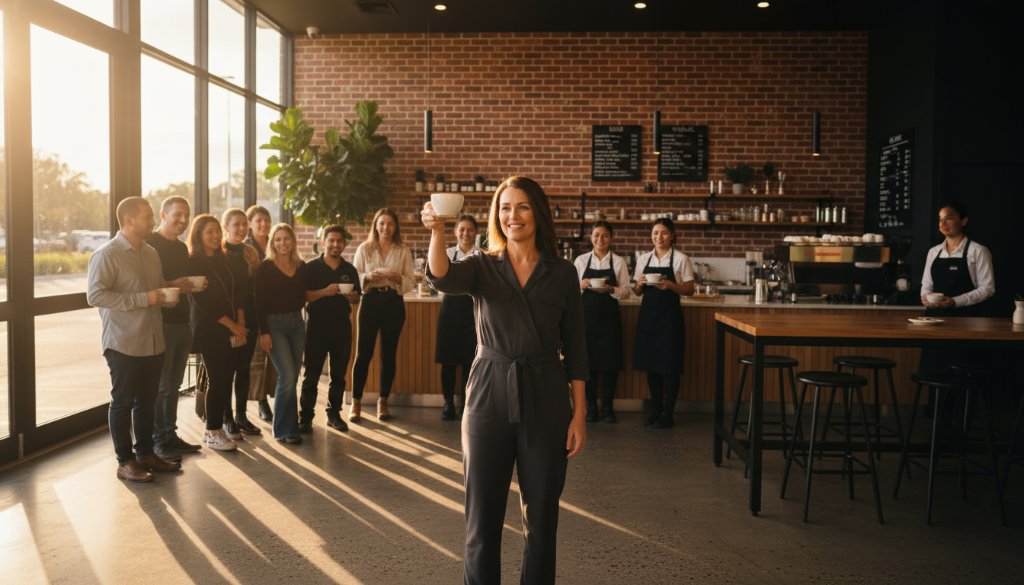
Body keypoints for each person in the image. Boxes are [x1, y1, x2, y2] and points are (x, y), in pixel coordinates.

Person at [423, 175, 587, 585]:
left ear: (538, 213)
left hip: (546, 395)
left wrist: (579, 414)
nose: (513, 216)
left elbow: (578, 348)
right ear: (497, 216)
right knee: (482, 521)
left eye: (523, 207)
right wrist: (438, 231)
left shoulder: (563, 273)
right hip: (488, 393)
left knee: (542, 520)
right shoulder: (482, 265)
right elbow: (441, 275)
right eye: (505, 208)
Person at [87, 196, 181, 482]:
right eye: (147, 216)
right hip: (123, 342)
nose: (152, 221)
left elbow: (154, 291)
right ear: (128, 220)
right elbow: (95, 295)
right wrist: (144, 299)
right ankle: (125, 462)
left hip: (153, 341)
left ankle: (146, 454)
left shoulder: (151, 253)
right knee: (123, 402)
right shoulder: (107, 254)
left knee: (147, 402)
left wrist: (165, 298)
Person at [145, 196, 204, 461]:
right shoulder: (150, 245)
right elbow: (148, 284)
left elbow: (182, 284)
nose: (183, 220)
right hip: (162, 323)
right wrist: (174, 283)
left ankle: (170, 435)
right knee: (162, 386)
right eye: (177, 214)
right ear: (163, 215)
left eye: (186, 215)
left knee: (174, 384)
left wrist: (191, 285)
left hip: (183, 322)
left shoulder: (181, 248)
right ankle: (159, 441)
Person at [186, 215, 248, 451]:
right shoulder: (194, 262)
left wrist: (240, 323)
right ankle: (212, 432)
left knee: (225, 378)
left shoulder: (225, 259)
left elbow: (238, 292)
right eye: (209, 232)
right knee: (218, 379)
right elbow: (203, 302)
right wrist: (233, 326)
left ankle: (217, 428)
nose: (215, 236)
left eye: (217, 231)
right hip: (210, 328)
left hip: (231, 327)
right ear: (199, 235)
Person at [351, 208, 415, 422]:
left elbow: (410, 281)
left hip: (393, 303)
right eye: (382, 223)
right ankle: (356, 402)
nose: (386, 227)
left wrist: (398, 278)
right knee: (363, 354)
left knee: (388, 355)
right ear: (376, 226)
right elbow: (355, 276)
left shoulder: (403, 250)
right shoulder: (364, 248)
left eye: (390, 224)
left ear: (395, 227)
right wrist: (368, 276)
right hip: (370, 301)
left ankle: (383, 401)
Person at [631, 217, 695, 429]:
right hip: (649, 318)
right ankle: (655, 410)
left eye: (664, 233)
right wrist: (639, 284)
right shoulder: (643, 259)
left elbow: (690, 289)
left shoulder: (681, 259)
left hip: (670, 319)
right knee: (652, 365)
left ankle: (668, 412)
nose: (659, 237)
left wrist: (671, 285)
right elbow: (637, 291)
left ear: (672, 235)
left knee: (670, 366)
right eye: (655, 233)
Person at [919, 201, 996, 373]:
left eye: (948, 218)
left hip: (966, 322)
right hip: (934, 322)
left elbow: (987, 288)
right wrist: (925, 297)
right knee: (932, 371)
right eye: (940, 219)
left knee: (960, 373)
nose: (942, 223)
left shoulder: (978, 251)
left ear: (964, 221)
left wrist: (955, 301)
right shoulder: (934, 252)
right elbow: (926, 284)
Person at [300, 225, 361, 433]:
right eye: (331, 240)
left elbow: (357, 298)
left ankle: (333, 415)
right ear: (323, 242)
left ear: (344, 244)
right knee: (311, 376)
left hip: (342, 328)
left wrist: (351, 296)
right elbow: (303, 296)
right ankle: (305, 417)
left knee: (338, 376)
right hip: (316, 326)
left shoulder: (349, 269)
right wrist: (324, 292)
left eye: (339, 241)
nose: (336, 244)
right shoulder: (310, 268)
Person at [574, 220, 631, 423]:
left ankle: (608, 408)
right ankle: (591, 407)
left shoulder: (618, 262)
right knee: (588, 364)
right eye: (596, 235)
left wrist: (612, 289)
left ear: (611, 238)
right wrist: (581, 285)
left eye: (605, 235)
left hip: (609, 320)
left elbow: (626, 291)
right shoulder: (581, 261)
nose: (600, 239)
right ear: (591, 238)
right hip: (586, 320)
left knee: (610, 364)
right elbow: (570, 291)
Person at [255, 223, 307, 444]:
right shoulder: (265, 267)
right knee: (286, 375)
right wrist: (264, 332)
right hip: (274, 325)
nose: (282, 243)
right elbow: (258, 303)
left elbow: (305, 294)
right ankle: (285, 430)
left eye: (286, 238)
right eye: (277, 239)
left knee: (293, 376)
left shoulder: (300, 265)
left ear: (293, 241)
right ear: (272, 243)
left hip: (297, 323)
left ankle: (289, 425)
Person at [434, 215, 480, 421]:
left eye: (470, 229)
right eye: (462, 229)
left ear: (476, 233)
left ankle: (466, 404)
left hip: (473, 313)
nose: (466, 233)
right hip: (450, 312)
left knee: (471, 361)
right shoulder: (446, 254)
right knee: (448, 361)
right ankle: (448, 403)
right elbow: (436, 280)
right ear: (455, 232)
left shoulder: (481, 256)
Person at [221, 208, 262, 436]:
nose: (242, 228)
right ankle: (227, 418)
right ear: (226, 227)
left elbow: (254, 287)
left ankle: (242, 416)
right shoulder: (219, 252)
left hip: (250, 317)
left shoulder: (251, 252)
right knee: (227, 370)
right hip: (228, 318)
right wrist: (235, 323)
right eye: (236, 224)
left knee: (244, 368)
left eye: (245, 224)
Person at [245, 204, 275, 422]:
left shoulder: (275, 244)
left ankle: (275, 398)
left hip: (276, 309)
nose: (264, 224)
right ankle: (261, 400)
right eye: (258, 221)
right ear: (250, 224)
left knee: (273, 359)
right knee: (257, 360)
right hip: (254, 310)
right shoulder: (247, 249)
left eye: (266, 220)